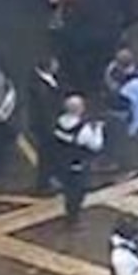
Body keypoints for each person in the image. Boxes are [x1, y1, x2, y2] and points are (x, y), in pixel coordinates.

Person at [51, 94, 106, 226]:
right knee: (78, 192)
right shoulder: (83, 129)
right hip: (78, 165)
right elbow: (96, 145)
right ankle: (73, 219)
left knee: (68, 190)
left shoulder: (59, 122)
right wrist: (98, 129)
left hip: (62, 163)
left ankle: (69, 213)